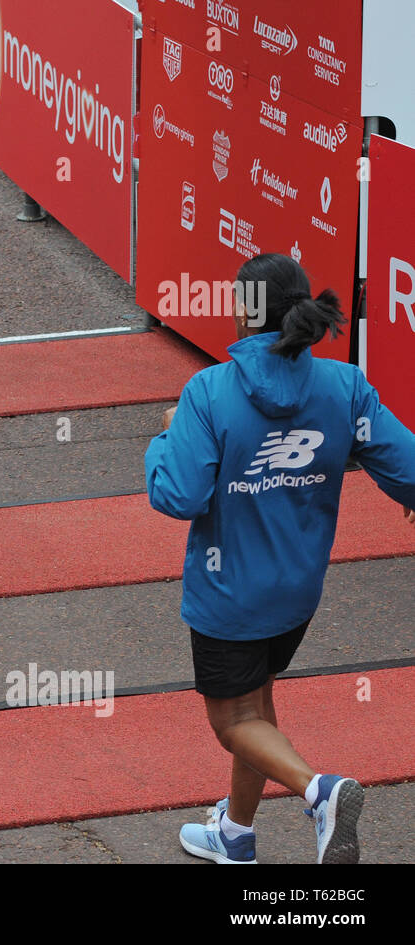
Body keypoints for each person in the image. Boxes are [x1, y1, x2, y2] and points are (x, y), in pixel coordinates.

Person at [146, 252, 415, 864]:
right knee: (259, 702)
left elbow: (177, 494)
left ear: (244, 313)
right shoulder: (345, 386)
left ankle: (319, 792)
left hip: (229, 596)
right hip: (297, 593)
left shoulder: (208, 392)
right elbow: (408, 466)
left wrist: (166, 434)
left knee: (234, 718)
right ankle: (235, 833)